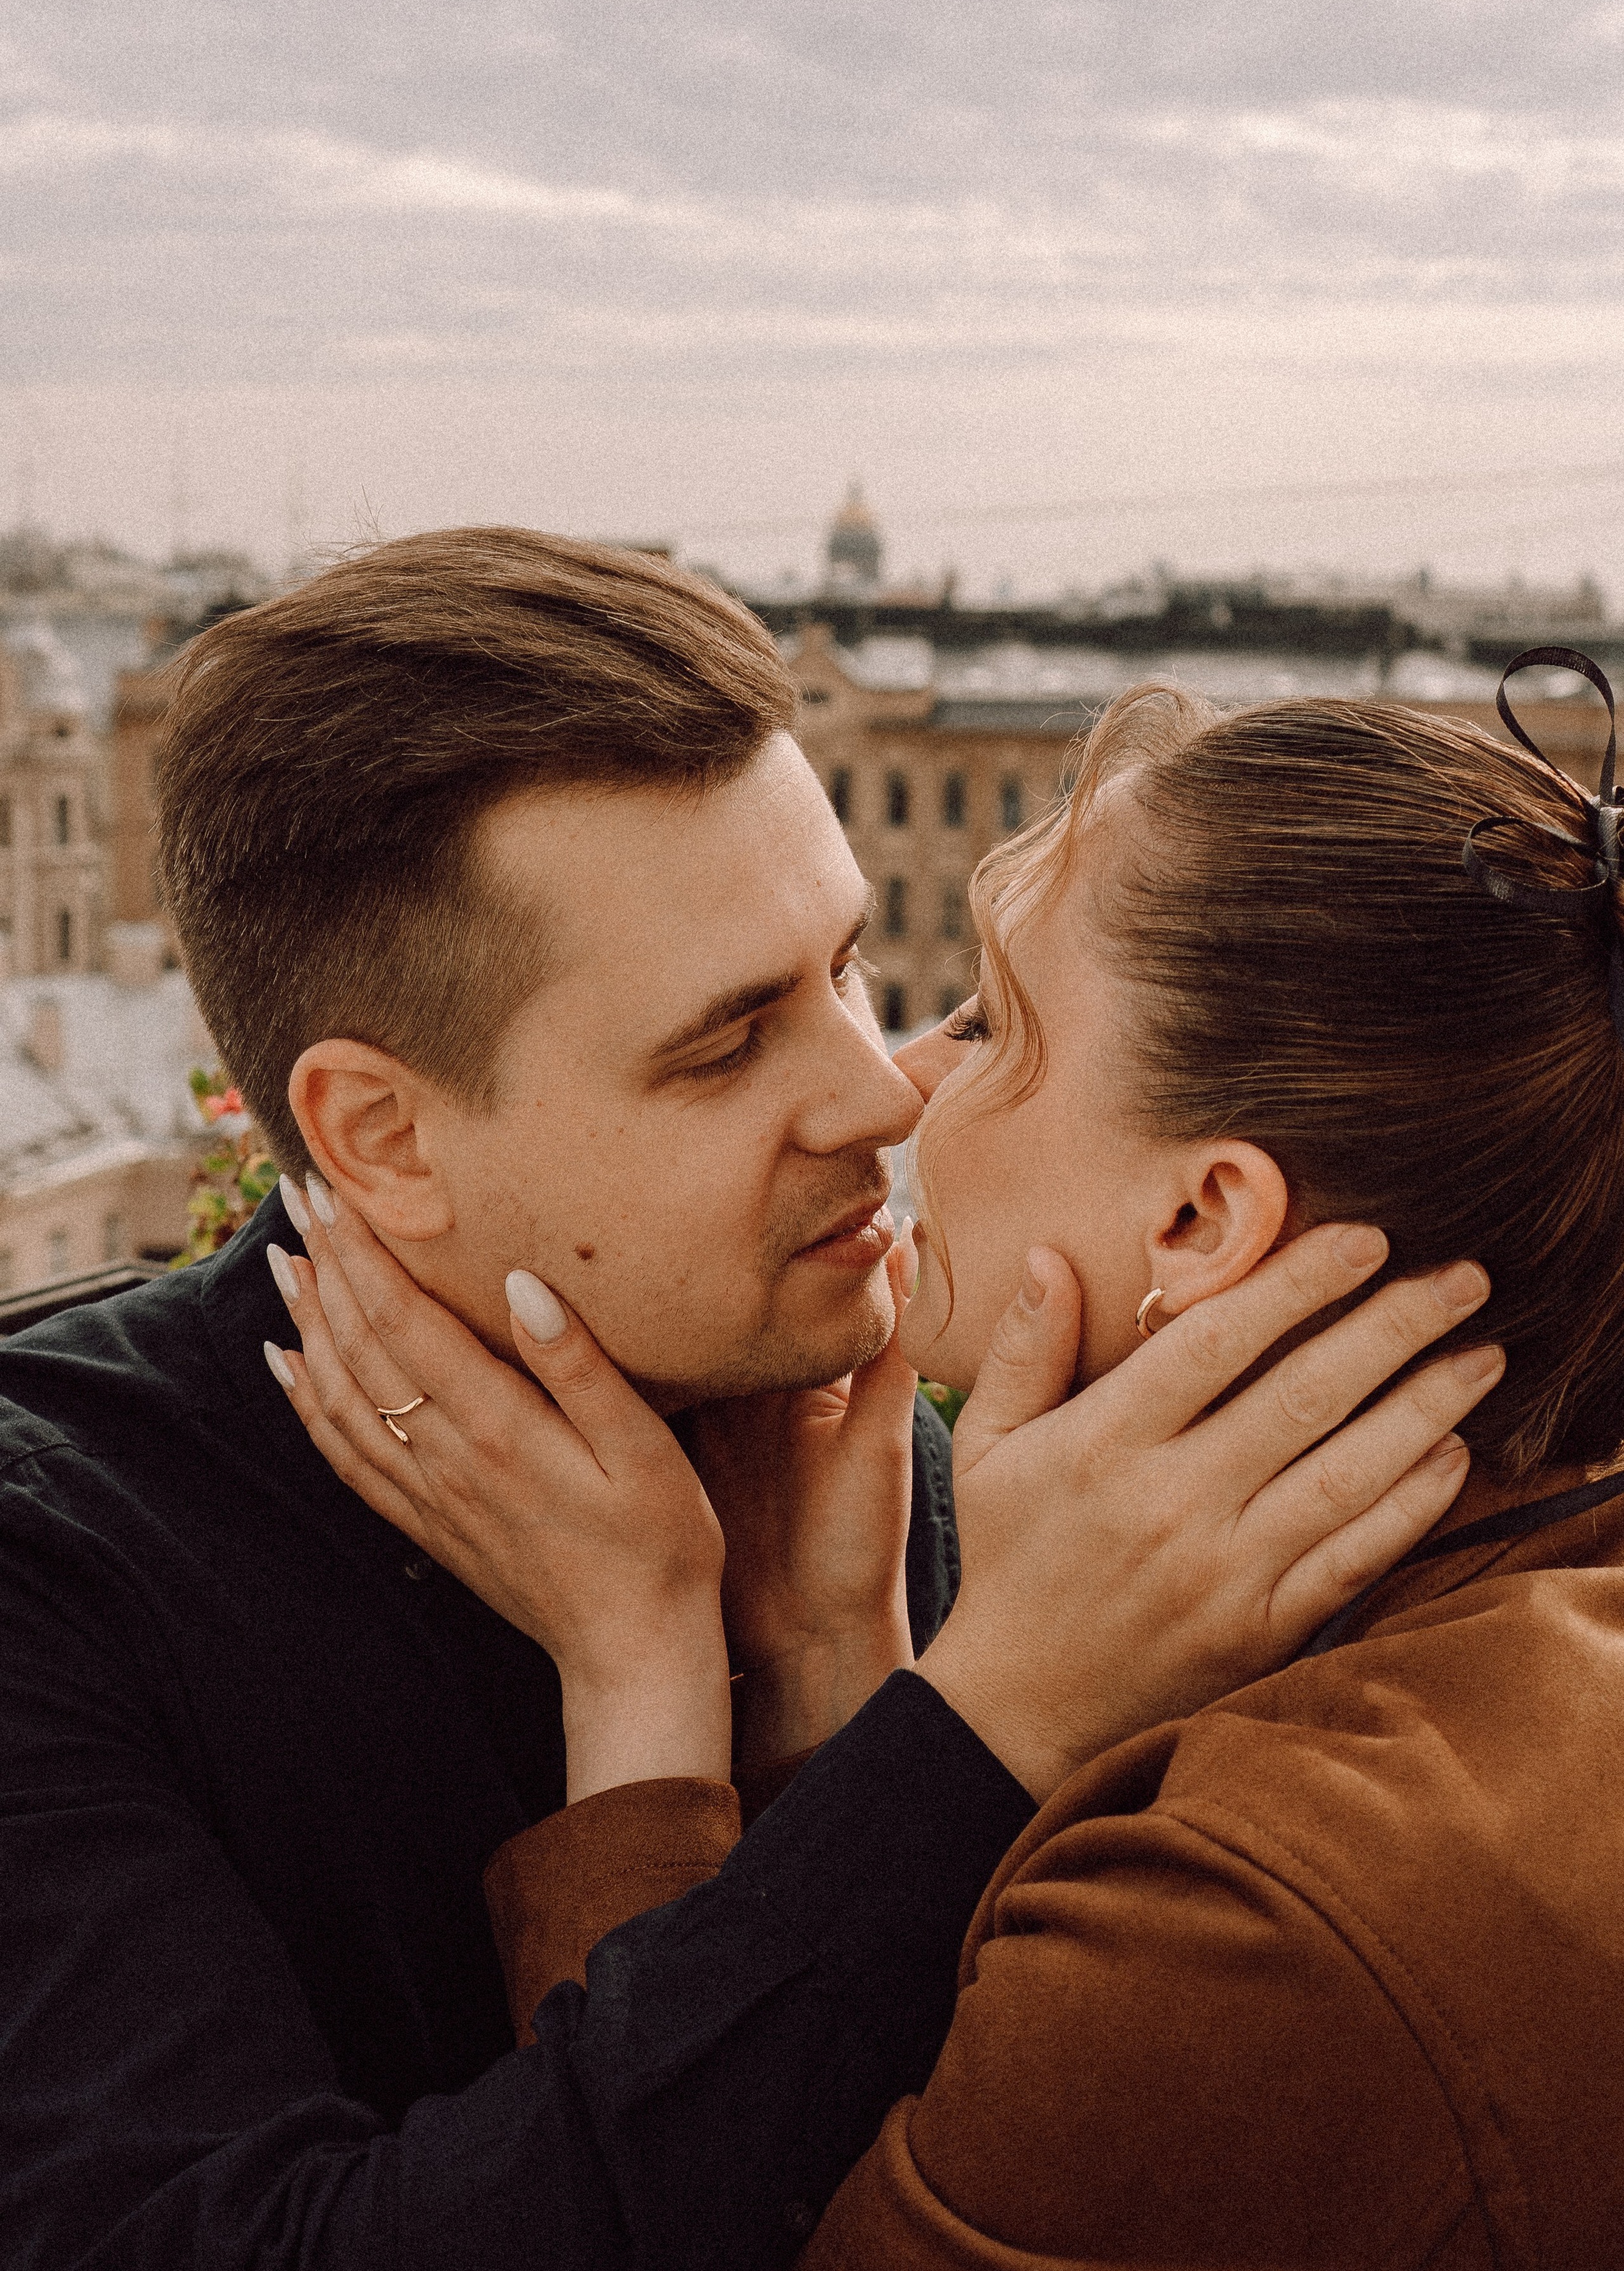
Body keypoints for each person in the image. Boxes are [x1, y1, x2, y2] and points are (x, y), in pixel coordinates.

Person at [0, 530, 1489, 2271]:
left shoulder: (881, 1446)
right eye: (729, 1041)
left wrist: (820, 1703)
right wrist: (973, 1731)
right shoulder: (56, 1575)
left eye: (852, 965)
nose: (882, 1091)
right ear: (381, 1140)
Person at [294, 650, 1624, 2267]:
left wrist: (642, 1678)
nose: (894, 1080)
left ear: (1198, 1221)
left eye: (990, 1023)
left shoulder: (1259, 1915)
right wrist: (840, 1690)